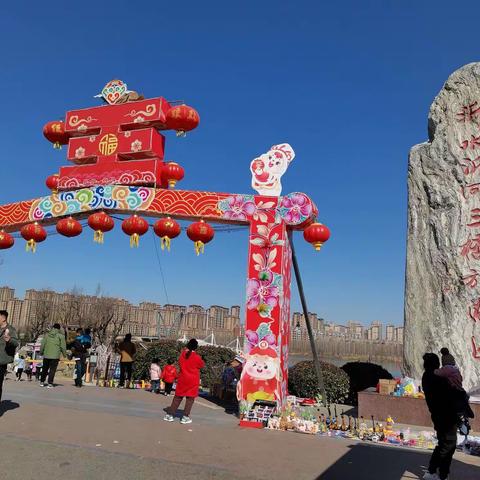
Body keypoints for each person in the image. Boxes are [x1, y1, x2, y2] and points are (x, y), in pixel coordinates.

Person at [422, 352, 458, 480]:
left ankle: (431, 471)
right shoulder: (436, 378)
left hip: (438, 416)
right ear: (436, 364)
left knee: (443, 444)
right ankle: (442, 475)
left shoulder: (427, 376)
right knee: (448, 444)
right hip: (446, 416)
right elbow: (448, 395)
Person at [164, 339, 205, 424]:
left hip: (182, 379)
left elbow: (180, 362)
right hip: (193, 380)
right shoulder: (197, 357)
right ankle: (185, 417)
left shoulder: (182, 355)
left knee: (177, 397)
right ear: (196, 347)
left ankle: (170, 415)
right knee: (190, 399)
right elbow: (201, 365)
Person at [40, 323, 67, 388]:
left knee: (44, 369)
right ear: (59, 329)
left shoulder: (46, 335)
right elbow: (63, 346)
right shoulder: (61, 336)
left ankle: (42, 382)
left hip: (46, 355)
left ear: (53, 327)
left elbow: (43, 344)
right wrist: (64, 354)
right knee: (52, 370)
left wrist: (41, 352)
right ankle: (50, 383)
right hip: (55, 356)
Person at [0, 310, 19, 402]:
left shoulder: (11, 330)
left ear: (3, 318)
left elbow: (16, 343)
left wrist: (9, 339)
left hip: (1, 360)